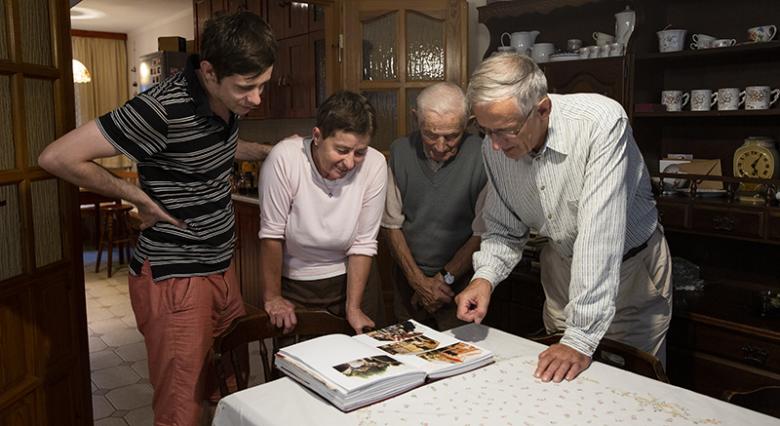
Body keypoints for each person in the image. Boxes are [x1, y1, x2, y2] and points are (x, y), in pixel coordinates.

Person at [39, 12, 277, 426]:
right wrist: (137, 196)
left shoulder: (226, 102)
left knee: (231, 388)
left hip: (221, 268)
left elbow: (211, 147)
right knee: (181, 408)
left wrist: (267, 150)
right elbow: (57, 157)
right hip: (176, 277)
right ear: (208, 72)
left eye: (262, 85)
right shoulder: (160, 109)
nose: (256, 98)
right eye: (246, 88)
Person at [456, 53, 672, 383]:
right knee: (562, 383)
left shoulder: (601, 123)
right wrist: (484, 276)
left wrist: (580, 337)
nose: (495, 146)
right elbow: (504, 227)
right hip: (560, 267)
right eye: (485, 130)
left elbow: (600, 236)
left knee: (627, 386)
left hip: (631, 272)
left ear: (542, 110)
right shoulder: (494, 147)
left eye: (506, 131)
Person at [258, 90, 387, 335]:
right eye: (341, 150)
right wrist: (273, 297)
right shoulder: (284, 159)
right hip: (298, 283)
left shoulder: (375, 164)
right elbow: (272, 236)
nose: (350, 163)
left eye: (359, 152)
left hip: (354, 279)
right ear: (317, 136)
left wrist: (354, 307)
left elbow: (363, 243)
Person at [382, 82, 487, 330]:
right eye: (430, 134)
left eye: (452, 136)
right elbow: (391, 225)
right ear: (415, 119)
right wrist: (418, 282)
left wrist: (443, 280)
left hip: (462, 286)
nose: (440, 146)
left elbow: (482, 233)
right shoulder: (399, 151)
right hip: (408, 280)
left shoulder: (485, 155)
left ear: (469, 123)